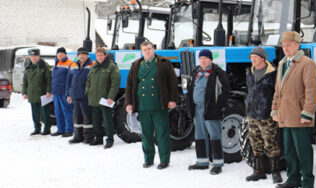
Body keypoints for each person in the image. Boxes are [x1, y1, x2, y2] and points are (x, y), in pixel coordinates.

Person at [271, 31, 316, 188]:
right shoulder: (283, 63)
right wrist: (275, 110)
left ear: (298, 45)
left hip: (299, 116)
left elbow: (312, 92)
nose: (286, 48)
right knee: (290, 151)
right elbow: (278, 90)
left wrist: (307, 113)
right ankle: (293, 179)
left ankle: (307, 184)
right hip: (285, 115)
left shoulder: (307, 64)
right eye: (284, 45)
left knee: (303, 152)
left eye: (289, 45)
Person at [125, 41, 177, 169]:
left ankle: (164, 159)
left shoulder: (164, 63)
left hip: (159, 104)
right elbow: (130, 85)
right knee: (146, 134)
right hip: (143, 105)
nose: (147, 51)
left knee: (162, 133)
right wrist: (129, 103)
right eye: (144, 49)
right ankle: (148, 159)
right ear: (141, 51)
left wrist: (172, 100)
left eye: (149, 49)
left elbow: (173, 82)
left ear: (153, 49)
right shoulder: (136, 65)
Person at [184, 49, 230, 175]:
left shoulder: (218, 72)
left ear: (210, 59)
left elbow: (225, 91)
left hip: (210, 108)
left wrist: (218, 107)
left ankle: (217, 163)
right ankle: (202, 162)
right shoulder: (196, 71)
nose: (203, 60)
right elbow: (190, 88)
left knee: (215, 135)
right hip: (197, 109)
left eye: (205, 58)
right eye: (201, 58)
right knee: (199, 135)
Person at [244, 46, 282, 183]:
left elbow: (278, 93)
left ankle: (275, 172)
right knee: (255, 143)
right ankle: (258, 171)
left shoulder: (274, 73)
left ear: (263, 58)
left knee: (271, 144)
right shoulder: (249, 72)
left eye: (255, 57)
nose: (253, 60)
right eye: (251, 58)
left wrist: (275, 110)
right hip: (252, 113)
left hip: (266, 114)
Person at [86, 47, 120, 149]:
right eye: (97, 56)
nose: (99, 57)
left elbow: (115, 83)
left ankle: (109, 139)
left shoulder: (112, 67)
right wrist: (88, 92)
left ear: (105, 55)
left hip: (105, 99)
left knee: (107, 119)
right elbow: (88, 81)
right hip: (94, 98)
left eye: (101, 55)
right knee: (95, 120)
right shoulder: (93, 67)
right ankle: (98, 138)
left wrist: (111, 97)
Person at [66, 47, 95, 144]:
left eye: (84, 54)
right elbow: (68, 81)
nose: (82, 56)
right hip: (74, 96)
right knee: (77, 118)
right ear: (77, 56)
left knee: (87, 118)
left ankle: (88, 137)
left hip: (86, 96)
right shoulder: (73, 65)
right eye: (80, 54)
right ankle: (78, 137)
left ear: (87, 55)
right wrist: (68, 95)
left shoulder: (93, 65)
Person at [22, 48, 53, 135]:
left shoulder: (44, 66)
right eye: (32, 56)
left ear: (39, 56)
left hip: (43, 94)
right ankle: (37, 128)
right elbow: (25, 81)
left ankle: (47, 129)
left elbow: (49, 80)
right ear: (30, 57)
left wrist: (48, 91)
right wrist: (24, 92)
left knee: (45, 112)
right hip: (32, 93)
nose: (34, 58)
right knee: (35, 113)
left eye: (35, 56)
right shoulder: (28, 67)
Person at [50, 47, 75, 137]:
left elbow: (71, 79)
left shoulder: (70, 64)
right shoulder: (56, 63)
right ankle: (60, 129)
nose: (60, 55)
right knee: (58, 112)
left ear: (65, 54)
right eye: (58, 53)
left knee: (67, 111)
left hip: (64, 92)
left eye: (62, 53)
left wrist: (69, 93)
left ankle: (69, 130)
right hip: (56, 92)